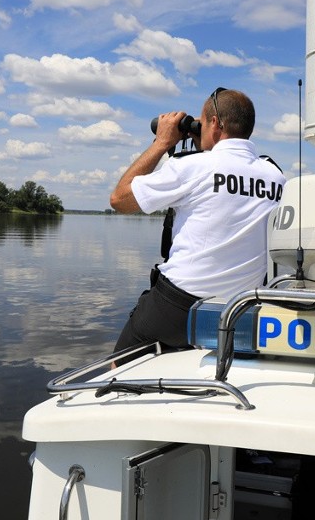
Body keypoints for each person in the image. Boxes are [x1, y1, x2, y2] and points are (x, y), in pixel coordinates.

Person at [110, 87, 286, 355]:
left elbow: (120, 200)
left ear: (215, 123)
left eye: (203, 123)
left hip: (179, 307)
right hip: (239, 311)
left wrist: (162, 143)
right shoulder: (275, 177)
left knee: (119, 364)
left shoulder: (192, 167)